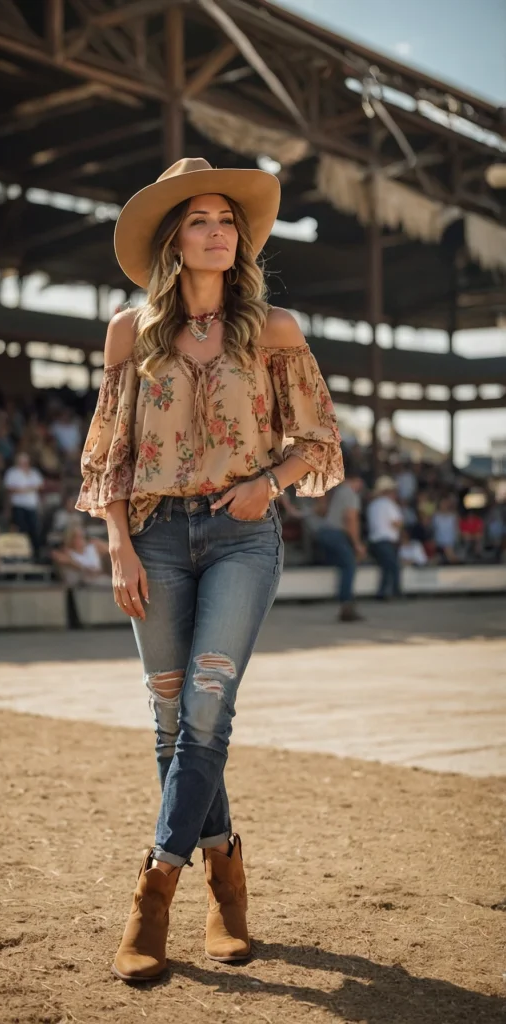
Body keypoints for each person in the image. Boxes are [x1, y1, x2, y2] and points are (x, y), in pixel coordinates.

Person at [75, 157, 343, 982]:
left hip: (239, 538)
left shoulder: (273, 331)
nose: (219, 231)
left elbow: (320, 440)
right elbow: (108, 454)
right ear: (172, 240)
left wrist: (267, 487)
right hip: (152, 538)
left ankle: (153, 891)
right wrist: (118, 544)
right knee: (171, 723)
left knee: (206, 709)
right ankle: (226, 873)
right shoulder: (129, 332)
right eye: (200, 219)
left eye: (228, 220)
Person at [314, 458, 366, 622]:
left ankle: (346, 600)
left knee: (342, 563)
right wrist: (357, 544)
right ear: (357, 481)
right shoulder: (351, 494)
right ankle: (346, 605)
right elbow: (351, 520)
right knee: (349, 564)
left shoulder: (339, 490)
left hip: (324, 532)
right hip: (335, 533)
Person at [367, 475, 403, 599]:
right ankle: (394, 592)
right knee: (393, 567)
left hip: (375, 541)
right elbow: (396, 523)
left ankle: (382, 593)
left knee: (386, 567)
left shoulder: (372, 505)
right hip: (386, 541)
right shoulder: (389, 504)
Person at [3, 451, 43, 554]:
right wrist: (28, 489)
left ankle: (35, 552)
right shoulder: (12, 473)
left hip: (32, 506)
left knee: (34, 530)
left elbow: (40, 486)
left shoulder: (34, 472)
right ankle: (22, 552)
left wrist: (24, 489)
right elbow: (10, 488)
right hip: (19, 506)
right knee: (21, 529)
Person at [432, 495, 460, 563]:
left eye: (446, 504)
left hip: (452, 542)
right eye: (443, 504)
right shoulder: (436, 517)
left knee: (450, 550)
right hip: (440, 542)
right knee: (447, 550)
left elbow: (457, 529)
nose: (444, 506)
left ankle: (453, 559)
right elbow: (433, 530)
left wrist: (458, 539)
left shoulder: (453, 516)